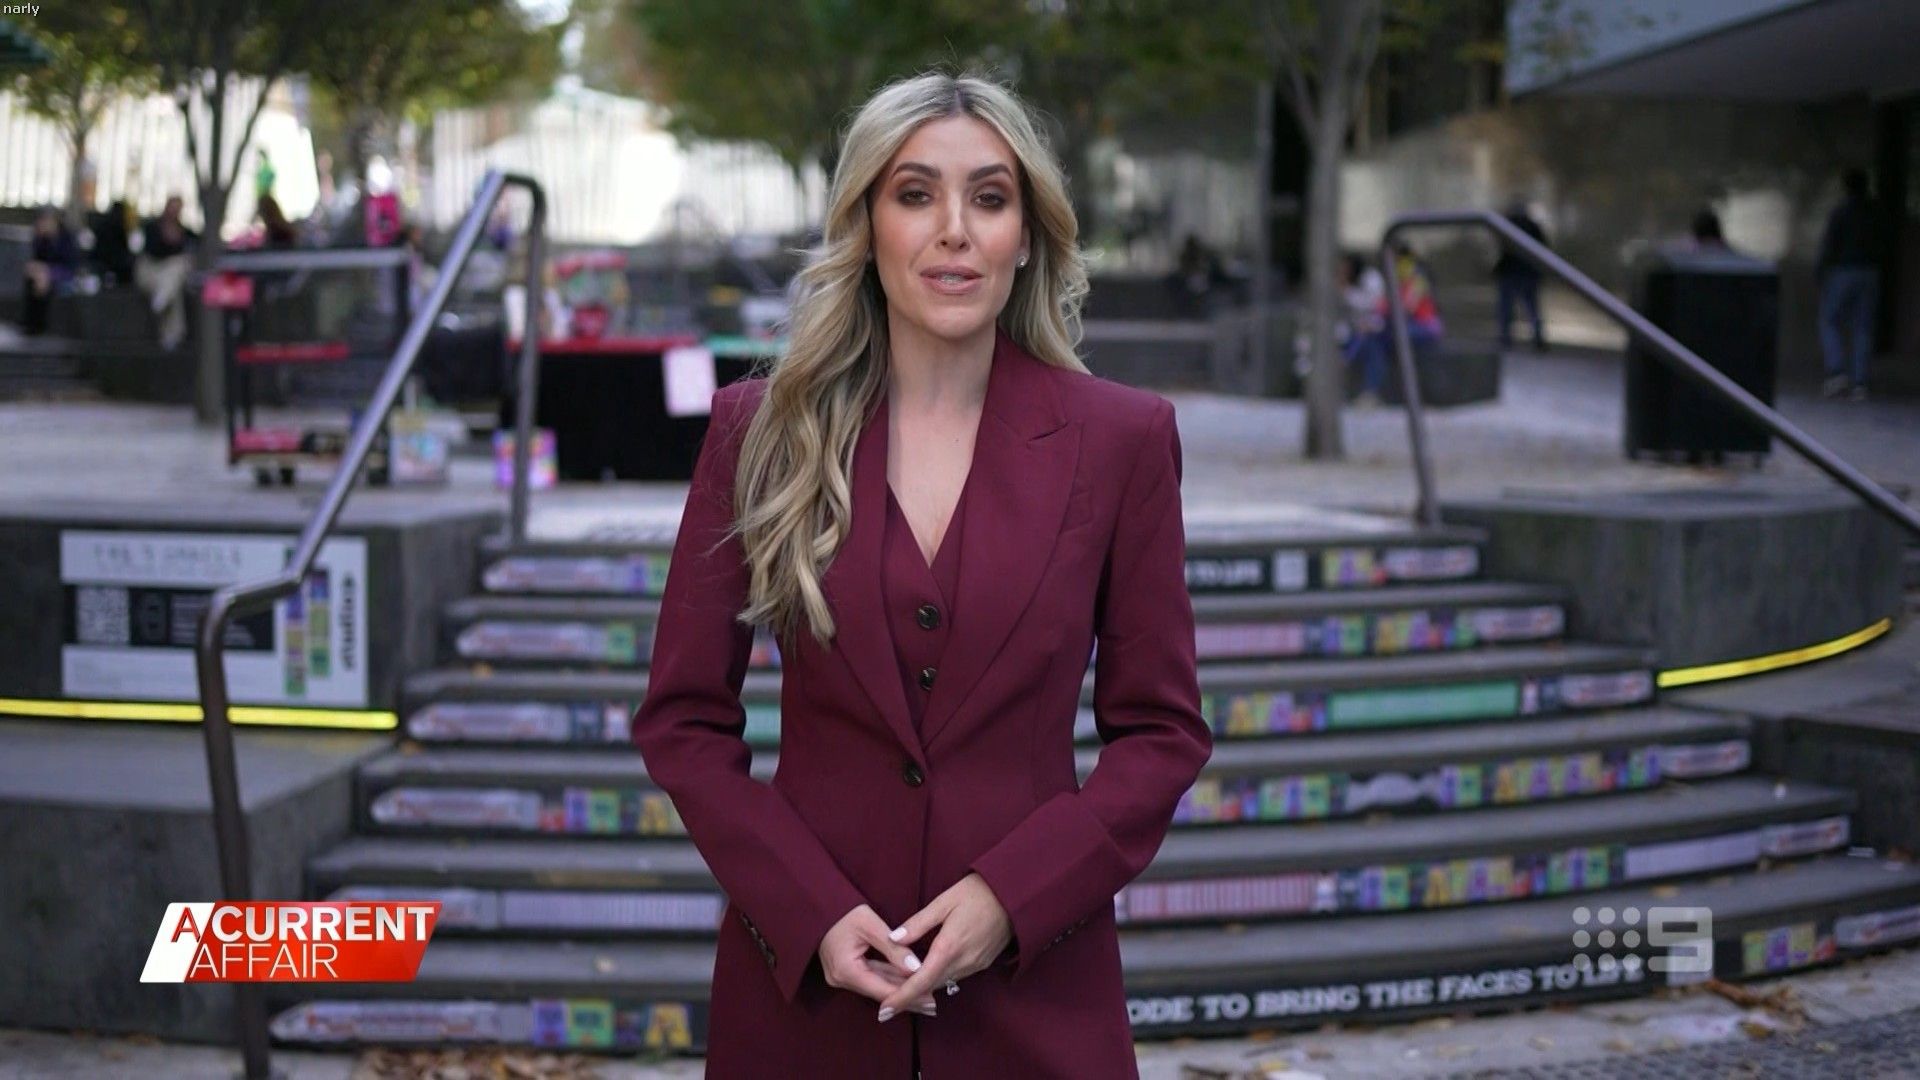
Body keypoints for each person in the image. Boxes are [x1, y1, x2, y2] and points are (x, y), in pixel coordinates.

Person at [630, 71, 1211, 1079]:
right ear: (867, 227)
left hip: (1039, 1003)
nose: (954, 230)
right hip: (806, 1008)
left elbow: (1163, 733)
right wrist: (807, 909)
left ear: (1025, 235)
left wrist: (1013, 897)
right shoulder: (757, 434)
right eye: (914, 194)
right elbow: (682, 721)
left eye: (989, 198)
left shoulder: (1123, 441)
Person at [1816, 167, 1886, 400]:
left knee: (1830, 321)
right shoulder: (1875, 213)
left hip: (1844, 270)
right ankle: (1859, 382)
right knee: (1863, 327)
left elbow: (1829, 244)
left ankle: (1836, 372)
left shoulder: (1841, 212)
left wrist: (1821, 272)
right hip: (1869, 271)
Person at [137, 196, 197, 350]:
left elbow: (196, 242)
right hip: (151, 272)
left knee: (178, 268)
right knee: (173, 281)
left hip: (170, 276)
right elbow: (152, 251)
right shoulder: (152, 227)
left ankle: (162, 304)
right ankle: (163, 304)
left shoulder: (184, 231)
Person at [1493, 197, 1548, 352]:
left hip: (1512, 271)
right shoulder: (1532, 226)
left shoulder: (1507, 224)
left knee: (1507, 307)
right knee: (1531, 307)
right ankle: (1537, 337)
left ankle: (1506, 338)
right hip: (1526, 271)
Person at [1339, 253, 1389, 405]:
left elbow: (1374, 305)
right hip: (1353, 331)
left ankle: (1370, 392)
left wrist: (1346, 291)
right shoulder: (1344, 283)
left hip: (1376, 329)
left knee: (1373, 350)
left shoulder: (1371, 279)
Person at [21, 207, 79, 336]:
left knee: (43, 280)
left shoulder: (66, 238)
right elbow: (36, 260)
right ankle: (31, 322)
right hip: (43, 274)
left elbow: (70, 266)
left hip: (65, 275)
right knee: (33, 279)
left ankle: (39, 324)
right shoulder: (42, 239)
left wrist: (48, 273)